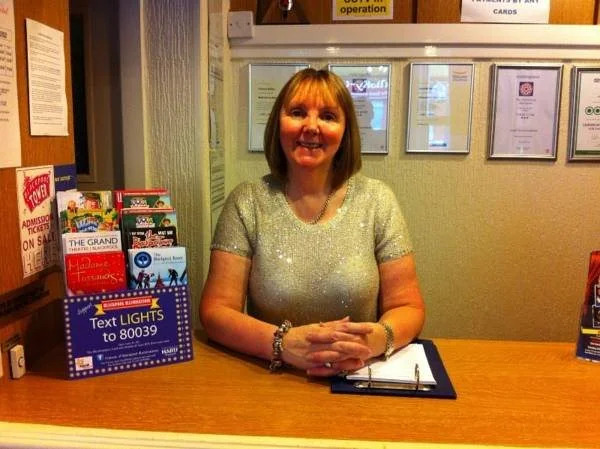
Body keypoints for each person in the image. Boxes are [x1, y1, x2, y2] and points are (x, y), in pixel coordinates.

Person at [200, 68, 425, 377]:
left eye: (328, 116)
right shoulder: (247, 202)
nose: (311, 126)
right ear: (278, 124)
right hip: (271, 380)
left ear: (345, 131)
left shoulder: (377, 200)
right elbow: (215, 312)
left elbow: (409, 307)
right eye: (297, 113)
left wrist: (373, 340)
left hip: (356, 377)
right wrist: (283, 344)